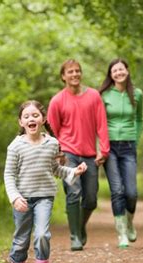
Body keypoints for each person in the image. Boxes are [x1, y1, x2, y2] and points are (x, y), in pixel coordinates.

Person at [4, 100, 87, 263]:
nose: (31, 119)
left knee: (42, 235)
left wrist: (74, 171)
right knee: (20, 241)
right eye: (26, 116)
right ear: (21, 122)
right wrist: (15, 198)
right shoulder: (15, 146)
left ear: (42, 119)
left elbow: (55, 169)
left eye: (35, 115)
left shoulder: (51, 143)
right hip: (22, 200)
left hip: (44, 198)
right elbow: (8, 175)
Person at [47, 59, 110, 251]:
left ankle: (80, 226)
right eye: (70, 72)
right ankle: (74, 236)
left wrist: (104, 149)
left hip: (90, 154)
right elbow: (52, 131)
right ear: (63, 76)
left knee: (91, 198)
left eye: (77, 71)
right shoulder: (57, 100)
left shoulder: (93, 96)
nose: (75, 74)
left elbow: (101, 124)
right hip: (68, 153)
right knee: (74, 193)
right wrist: (57, 155)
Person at [99, 58, 143, 248]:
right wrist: (100, 147)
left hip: (128, 146)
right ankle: (122, 234)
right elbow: (99, 122)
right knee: (117, 190)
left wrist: (135, 137)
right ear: (110, 75)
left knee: (131, 193)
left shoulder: (138, 94)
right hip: (109, 147)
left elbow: (139, 119)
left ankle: (129, 222)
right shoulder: (104, 95)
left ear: (127, 71)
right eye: (114, 70)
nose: (118, 73)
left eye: (121, 69)